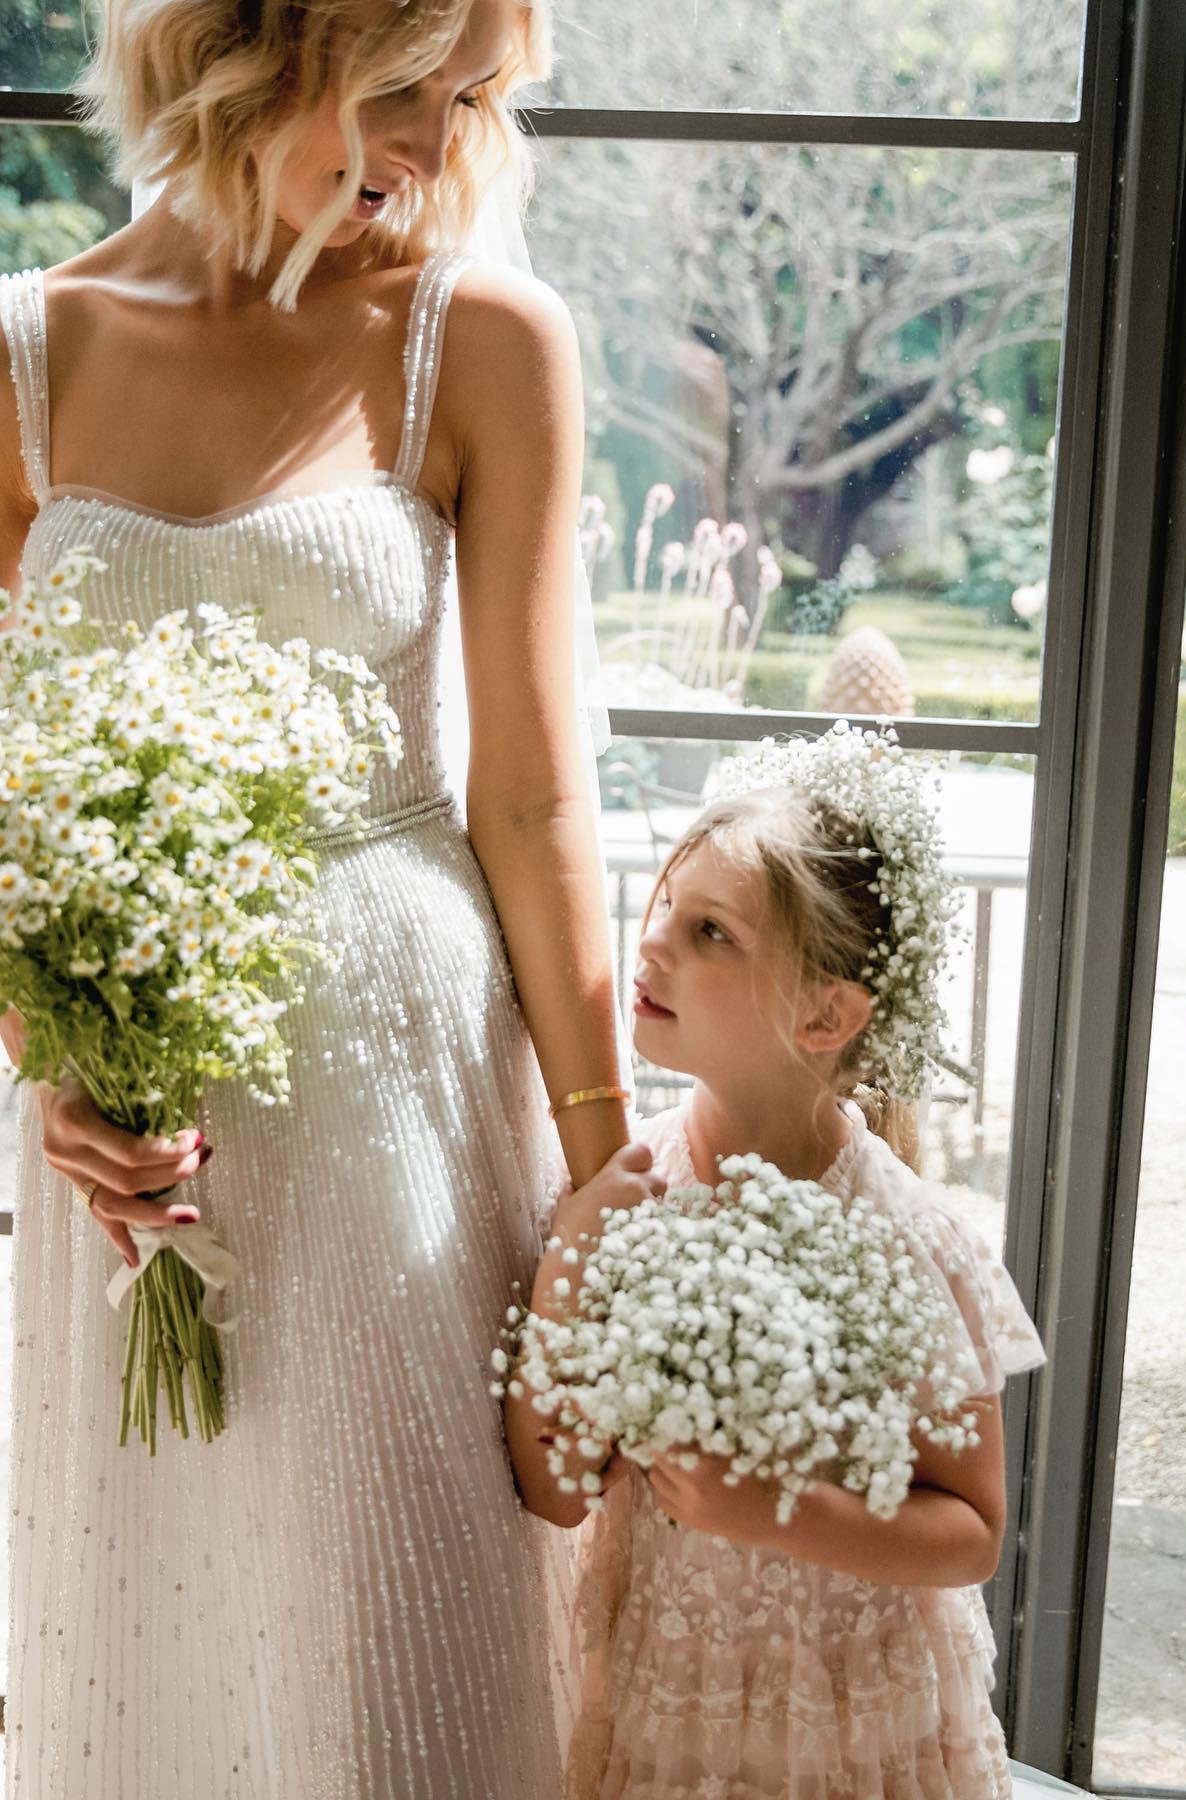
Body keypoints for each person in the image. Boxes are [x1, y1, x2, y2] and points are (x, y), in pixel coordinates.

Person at [0, 0, 645, 1792]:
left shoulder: (484, 339)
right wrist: (52, 1061)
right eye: (400, 92)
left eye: (469, 102)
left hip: (404, 1111)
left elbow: (531, 797)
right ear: (248, 59)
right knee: (150, 1647)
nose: (438, 150)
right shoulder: (27, 353)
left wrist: (612, 1182)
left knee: (400, 1651)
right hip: (129, 1150)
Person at [507, 728, 1061, 1798]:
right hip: (674, 1707)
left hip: (853, 1719)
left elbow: (975, 1530)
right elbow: (554, 1489)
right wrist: (564, 1269)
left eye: (709, 931)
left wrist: (775, 1512)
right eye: (666, 907)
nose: (653, 944)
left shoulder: (905, 1237)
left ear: (827, 1013)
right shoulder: (623, 1192)